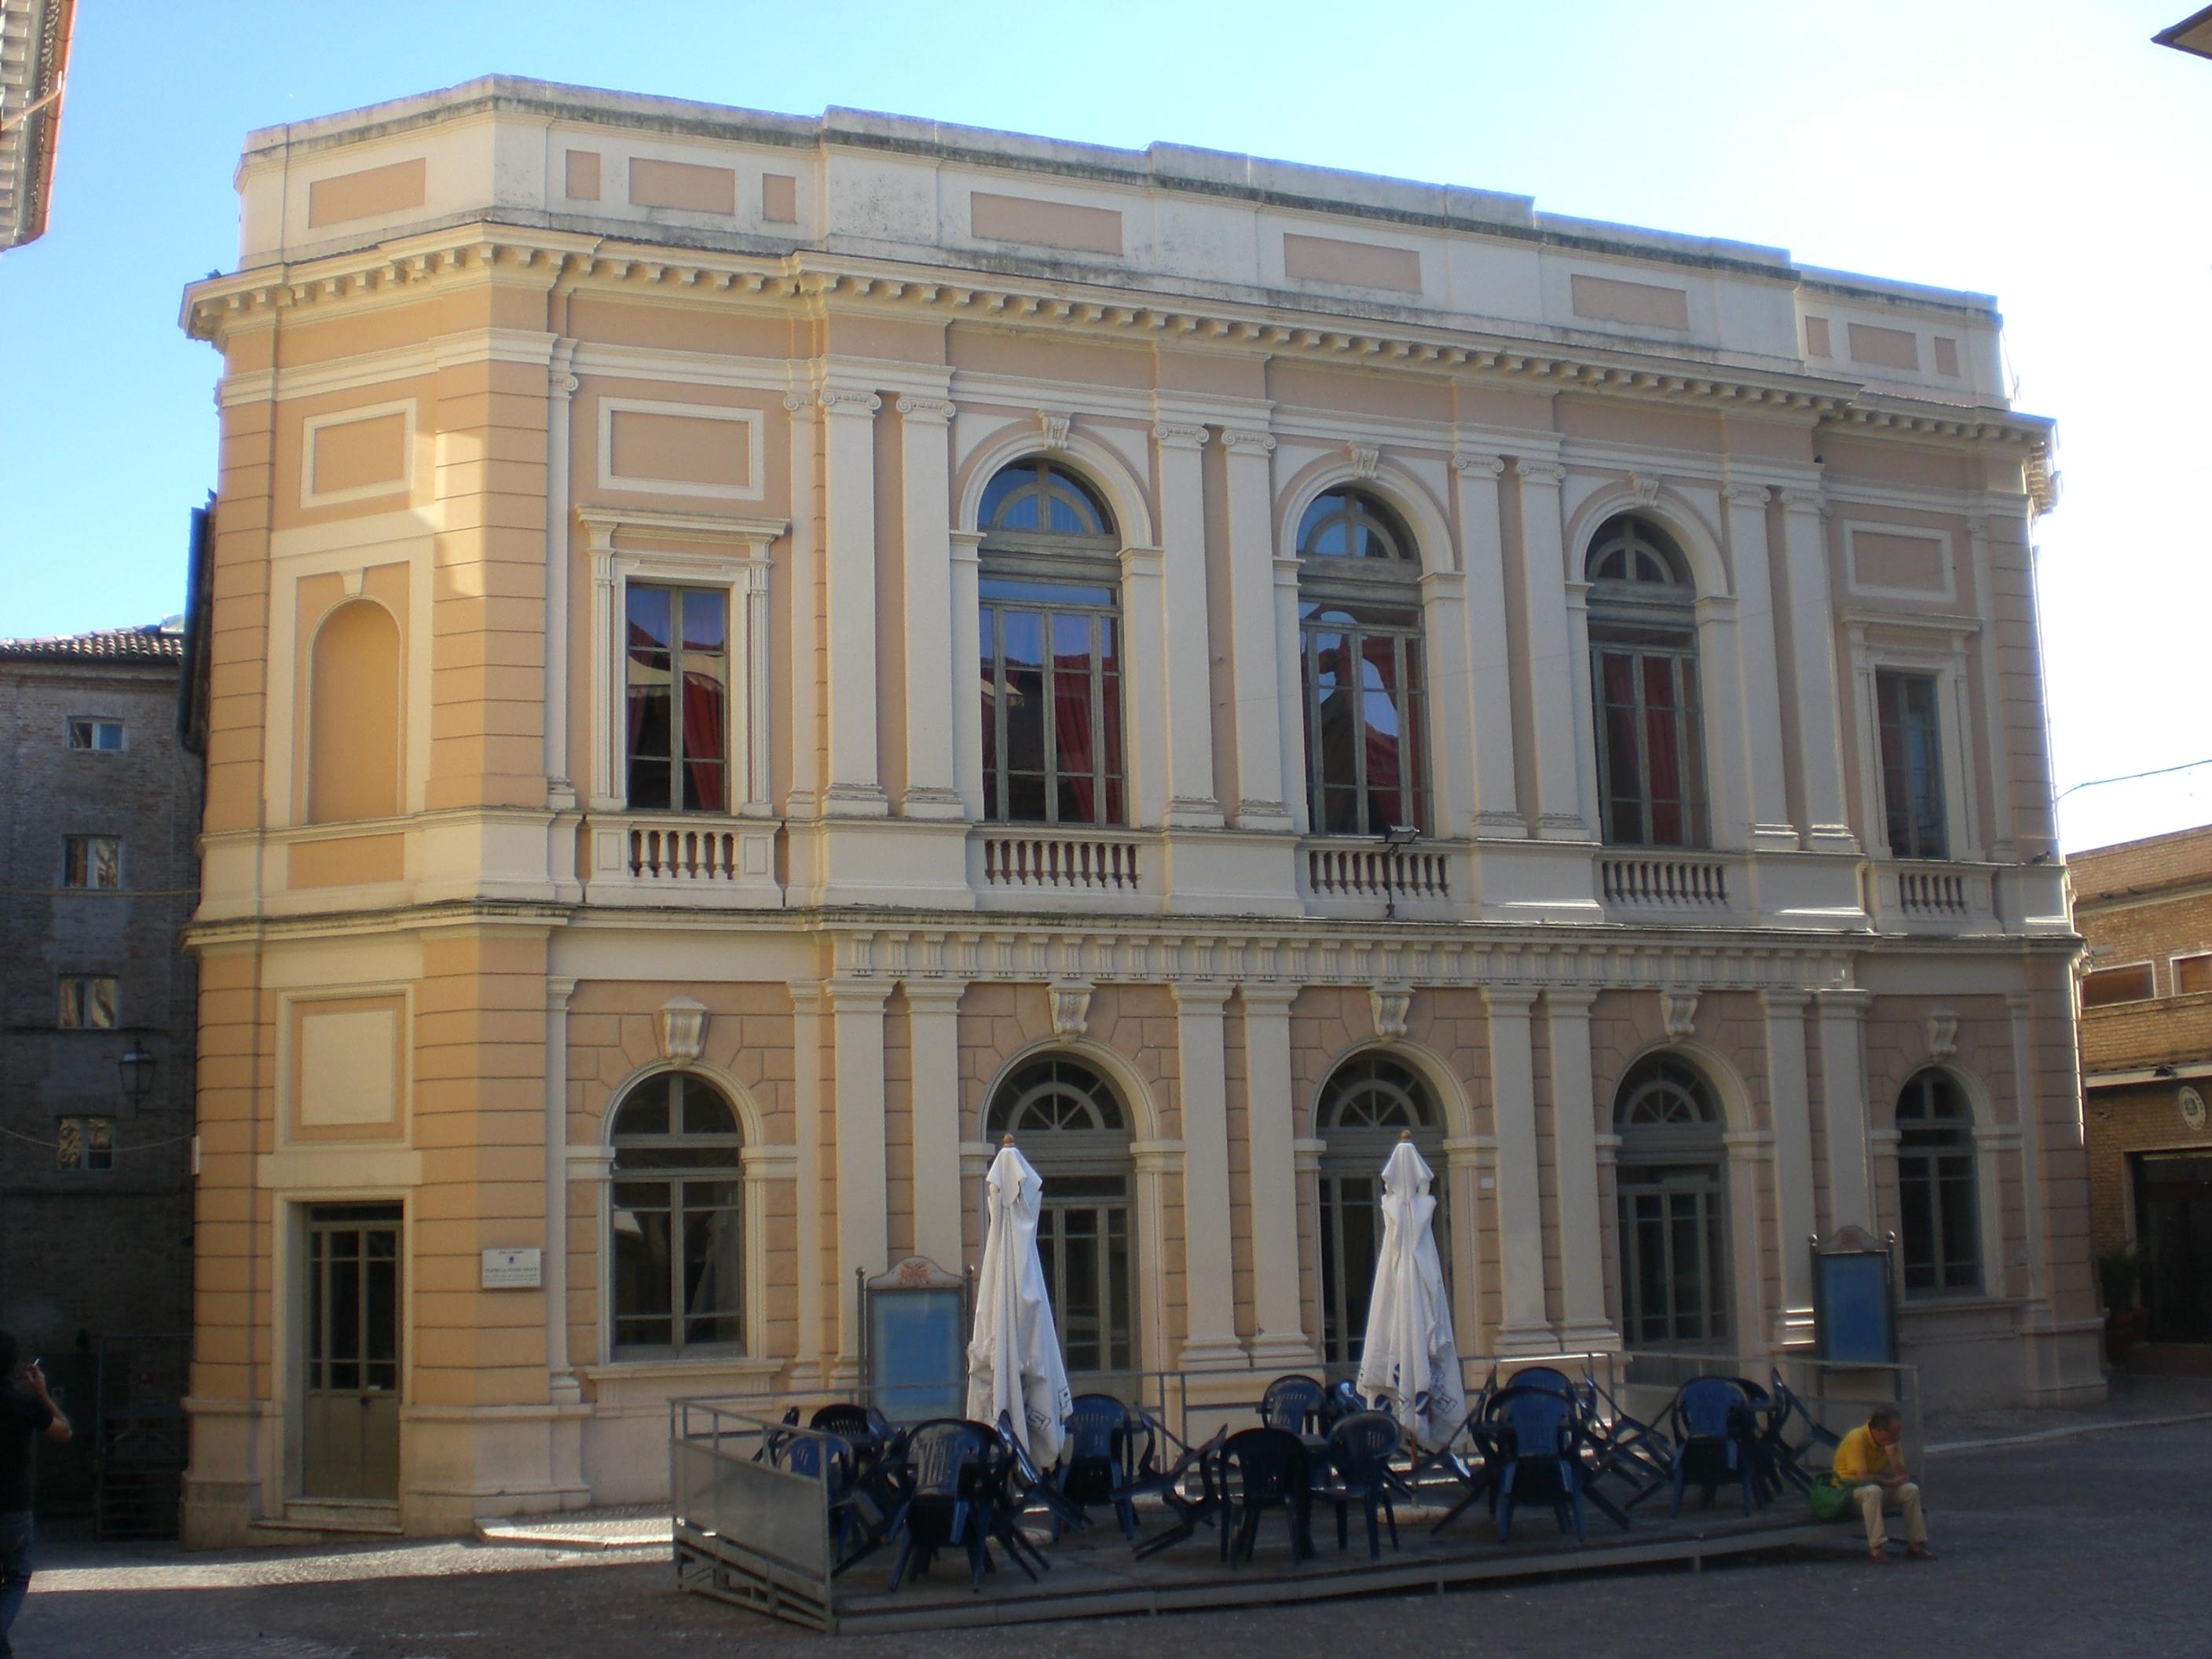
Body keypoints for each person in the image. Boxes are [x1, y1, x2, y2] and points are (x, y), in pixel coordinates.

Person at [0, 1332, 72, 1659]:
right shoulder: (24, 1404)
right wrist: (42, 1392)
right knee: (17, 1577)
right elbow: (64, 1431)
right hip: (13, 1508)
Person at [1831, 1404, 1932, 1564]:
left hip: (1874, 1489)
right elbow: (1862, 1478)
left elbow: (1901, 1475)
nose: (1897, 1436)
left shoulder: (1891, 1442)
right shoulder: (1856, 1438)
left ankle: (1916, 1544)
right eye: (1894, 1433)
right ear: (1879, 1431)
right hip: (1847, 1493)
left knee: (1910, 1490)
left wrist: (1892, 1455)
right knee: (1873, 1490)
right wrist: (1888, 1482)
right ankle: (1876, 1548)